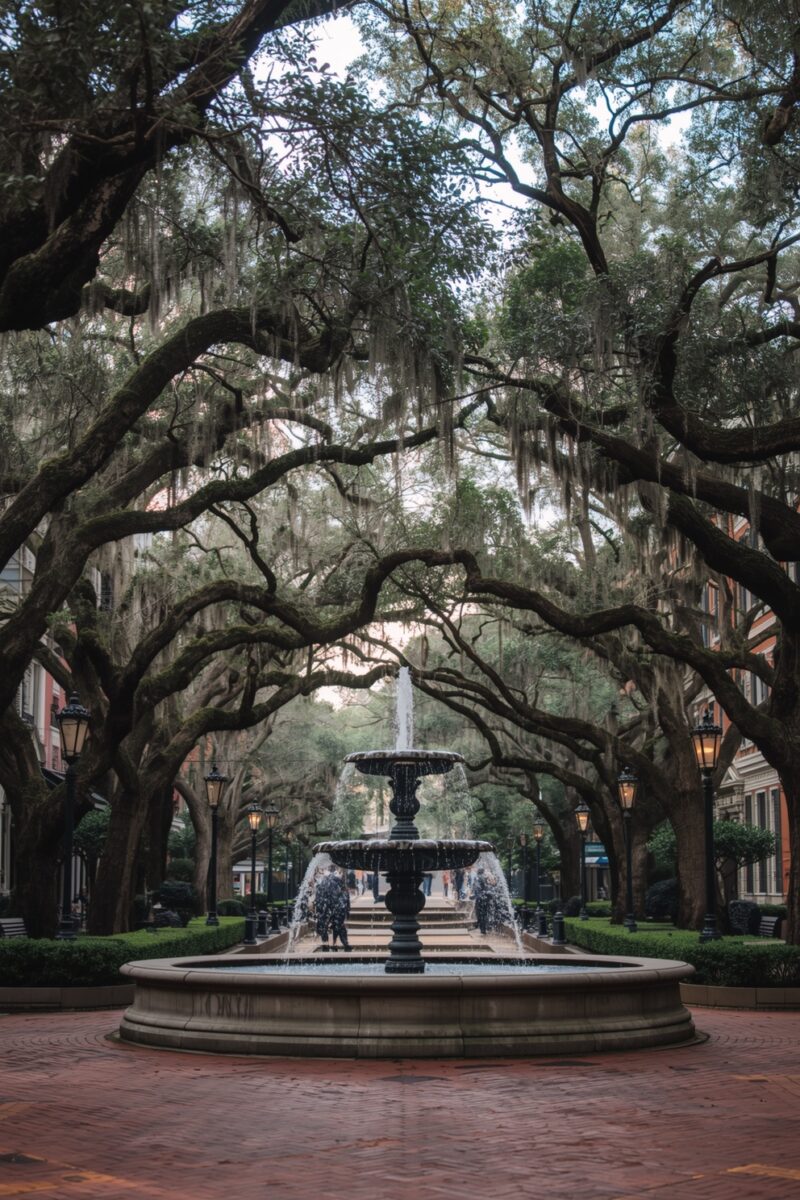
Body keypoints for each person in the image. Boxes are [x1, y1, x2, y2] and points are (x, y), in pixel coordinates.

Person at [315, 865, 352, 950]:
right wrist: (347, 908)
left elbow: (319, 896)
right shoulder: (335, 880)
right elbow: (345, 894)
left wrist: (318, 908)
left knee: (328, 925)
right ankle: (336, 944)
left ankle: (327, 944)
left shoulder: (324, 881)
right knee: (337, 925)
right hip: (333, 906)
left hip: (330, 906)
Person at [472, 867, 494, 936]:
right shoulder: (483, 878)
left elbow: (477, 888)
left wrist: (476, 895)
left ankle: (482, 928)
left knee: (480, 914)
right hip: (484, 898)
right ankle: (483, 929)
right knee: (484, 914)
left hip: (479, 899)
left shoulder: (477, 878)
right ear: (482, 872)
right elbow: (486, 888)